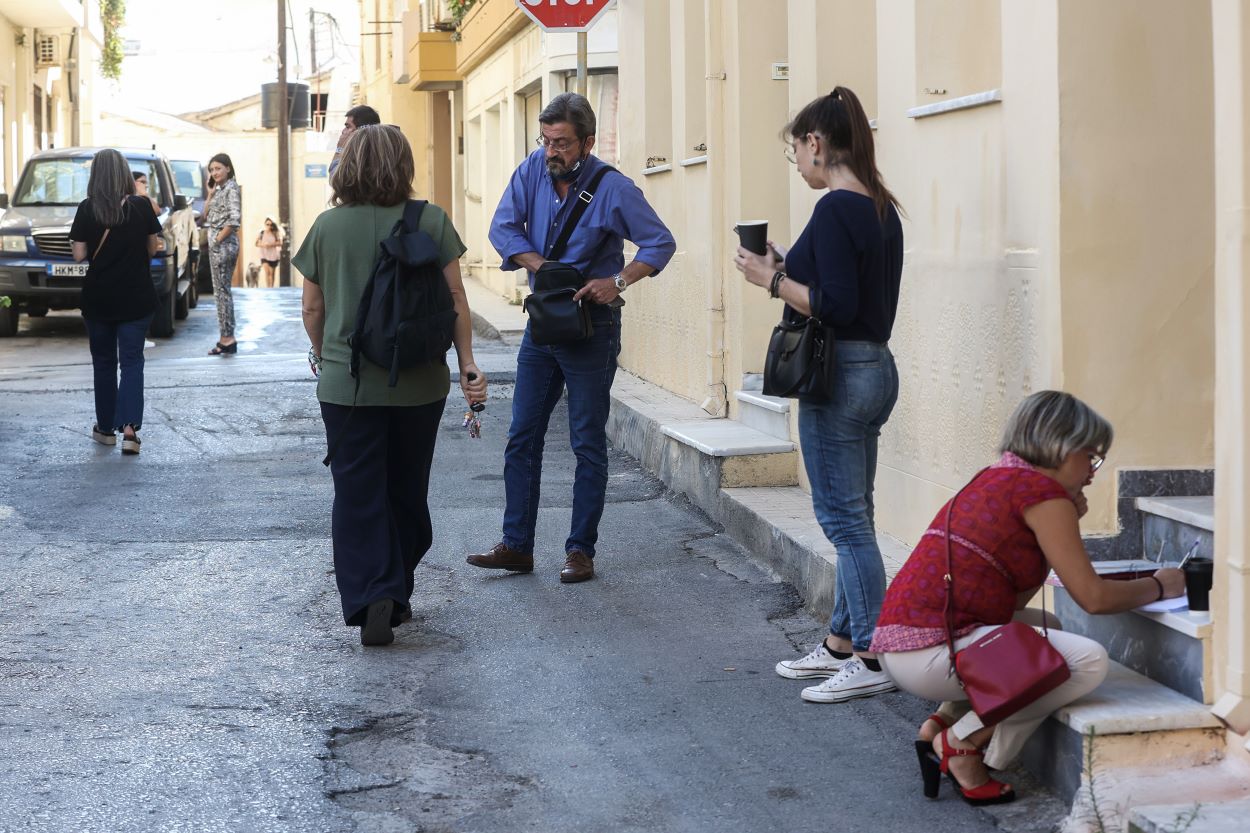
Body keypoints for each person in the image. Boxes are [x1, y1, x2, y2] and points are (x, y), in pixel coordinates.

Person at [871, 391, 1186, 805]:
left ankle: (941, 723)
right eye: (1090, 457)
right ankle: (963, 745)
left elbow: (1013, 599)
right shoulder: (1042, 494)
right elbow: (1093, 598)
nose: (1092, 473)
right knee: (1087, 661)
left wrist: (1061, 525)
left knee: (1046, 627)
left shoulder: (997, 476)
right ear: (1061, 445)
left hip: (907, 648)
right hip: (931, 652)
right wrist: (1162, 585)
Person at [735, 86, 905, 702]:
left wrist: (771, 277)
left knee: (844, 521)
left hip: (840, 378)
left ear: (816, 143)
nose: (798, 163)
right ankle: (840, 642)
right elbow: (846, 288)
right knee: (855, 512)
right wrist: (783, 264)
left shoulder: (836, 208)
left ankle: (872, 657)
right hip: (875, 369)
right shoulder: (880, 206)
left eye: (796, 151)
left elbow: (834, 304)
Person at [467, 92, 676, 584]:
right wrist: (544, 267)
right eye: (545, 140)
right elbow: (502, 228)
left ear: (586, 142)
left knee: (586, 441)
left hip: (592, 326)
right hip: (544, 325)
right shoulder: (529, 172)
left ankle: (580, 550)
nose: (550, 151)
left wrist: (618, 281)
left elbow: (660, 242)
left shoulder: (613, 187)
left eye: (561, 142)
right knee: (522, 436)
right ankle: (516, 545)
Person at [293, 124, 487, 647]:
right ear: (403, 165)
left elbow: (312, 307)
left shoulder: (327, 228)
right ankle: (397, 584)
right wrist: (468, 364)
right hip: (421, 384)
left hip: (347, 384)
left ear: (347, 165)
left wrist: (322, 351)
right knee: (406, 488)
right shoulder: (432, 221)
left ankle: (372, 592)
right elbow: (456, 301)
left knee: (357, 494)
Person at [69, 149, 163, 455]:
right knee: (132, 361)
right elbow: (153, 248)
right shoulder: (142, 206)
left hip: (99, 300)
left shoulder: (87, 209)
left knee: (104, 363)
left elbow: (80, 255)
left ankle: (105, 428)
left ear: (95, 175)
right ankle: (130, 431)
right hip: (136, 297)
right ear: (124, 173)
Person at [203, 153, 241, 355]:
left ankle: (228, 338)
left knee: (222, 292)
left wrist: (217, 241)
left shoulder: (232, 189)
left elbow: (234, 220)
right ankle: (225, 337)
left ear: (228, 168)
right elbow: (206, 214)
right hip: (218, 245)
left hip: (224, 246)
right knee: (220, 292)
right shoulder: (220, 190)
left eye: (218, 168)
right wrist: (210, 193)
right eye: (211, 169)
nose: (214, 172)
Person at [328, 105, 381, 175]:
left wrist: (340, 148)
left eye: (348, 127)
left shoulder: (362, 158)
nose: (343, 131)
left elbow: (336, 177)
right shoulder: (384, 152)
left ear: (360, 130)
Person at [255, 216, 283, 288]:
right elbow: (256, 243)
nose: (269, 226)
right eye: (267, 224)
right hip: (264, 255)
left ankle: (272, 287)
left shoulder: (275, 233)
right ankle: (268, 288)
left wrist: (271, 245)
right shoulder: (261, 233)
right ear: (265, 224)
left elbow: (280, 243)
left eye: (271, 225)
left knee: (272, 273)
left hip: (273, 255)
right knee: (267, 273)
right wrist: (263, 245)